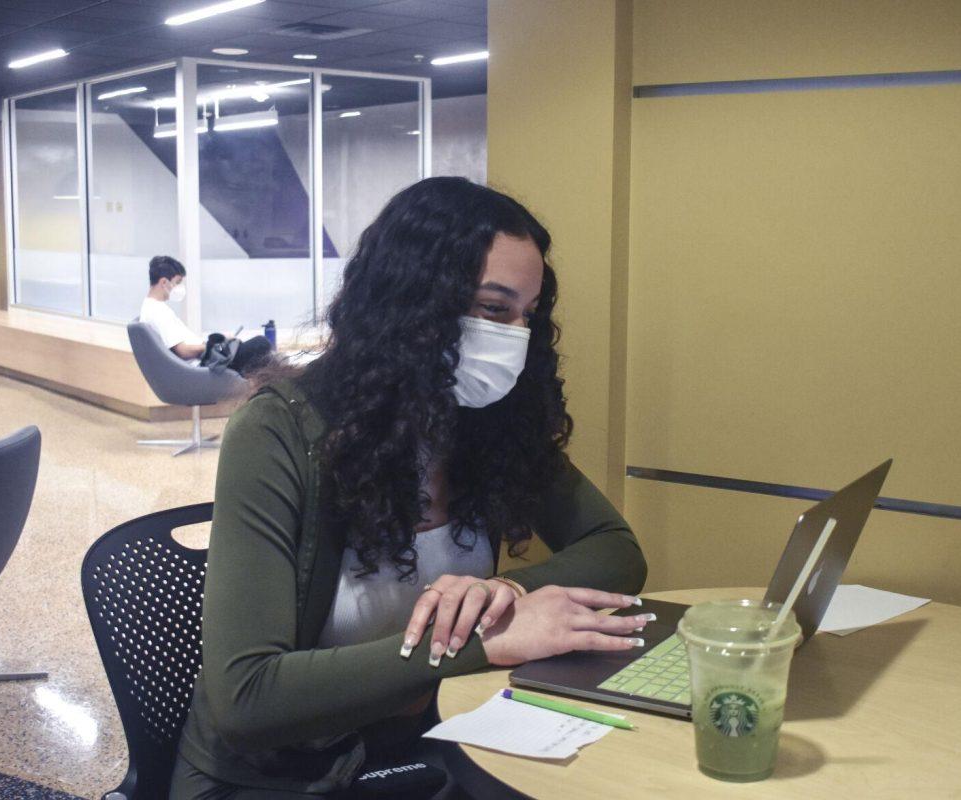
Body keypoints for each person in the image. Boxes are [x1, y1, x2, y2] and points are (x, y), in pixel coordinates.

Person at [169, 178, 650, 798]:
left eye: (527, 314)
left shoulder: (487, 420)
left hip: (419, 749)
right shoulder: (279, 430)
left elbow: (616, 549)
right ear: (411, 304)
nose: (515, 335)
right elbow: (248, 698)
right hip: (277, 777)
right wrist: (488, 638)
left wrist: (501, 592)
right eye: (494, 308)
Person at [140, 255, 274, 376]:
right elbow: (184, 351)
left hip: (204, 360)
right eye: (178, 282)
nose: (179, 287)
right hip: (205, 365)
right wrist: (214, 345)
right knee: (261, 344)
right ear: (164, 282)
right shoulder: (158, 312)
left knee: (267, 362)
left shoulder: (151, 308)